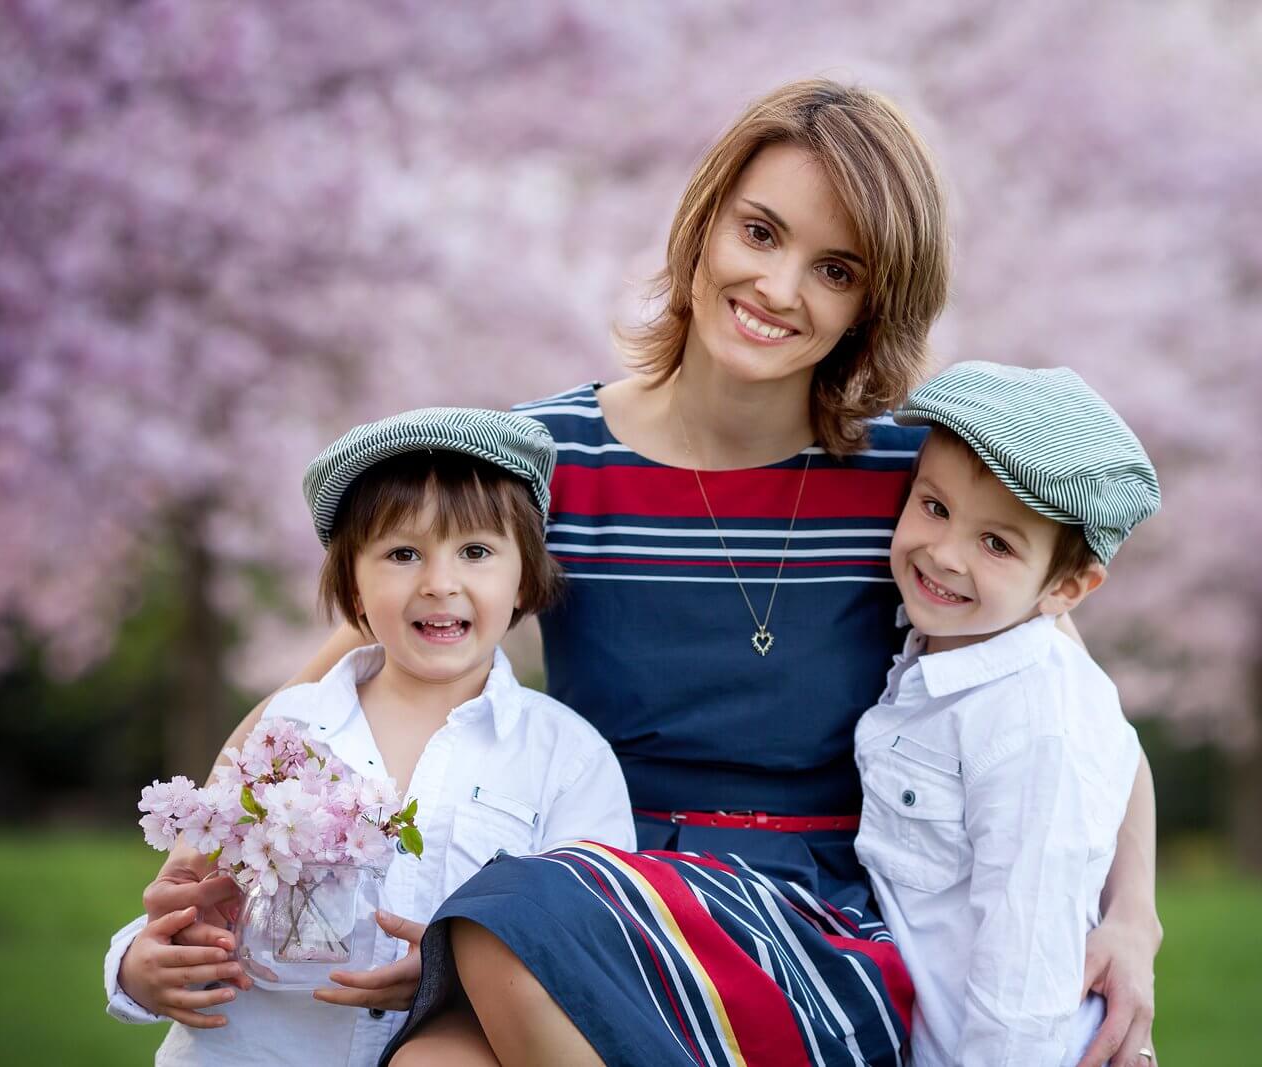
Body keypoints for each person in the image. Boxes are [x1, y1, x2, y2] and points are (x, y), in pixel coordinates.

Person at [128, 79, 1162, 1066]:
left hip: (807, 927)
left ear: (872, 304)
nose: (777, 287)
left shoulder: (914, 487)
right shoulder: (550, 458)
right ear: (706, 222)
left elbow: (1065, 705)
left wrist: (1130, 918)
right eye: (759, 233)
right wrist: (207, 856)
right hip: (586, 888)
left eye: (835, 269)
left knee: (510, 913)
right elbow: (352, 667)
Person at [103, 408, 635, 1066]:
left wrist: (453, 980)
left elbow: (590, 956)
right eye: (403, 553)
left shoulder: (567, 759)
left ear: (522, 575)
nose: (439, 582)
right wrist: (138, 966)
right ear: (352, 583)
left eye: (475, 551)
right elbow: (190, 897)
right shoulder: (287, 732)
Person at [854, 362, 1159, 1065]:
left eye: (997, 543)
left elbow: (1022, 979)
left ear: (1068, 587)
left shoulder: (1031, 724)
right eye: (934, 506)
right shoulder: (950, 652)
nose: (943, 552)